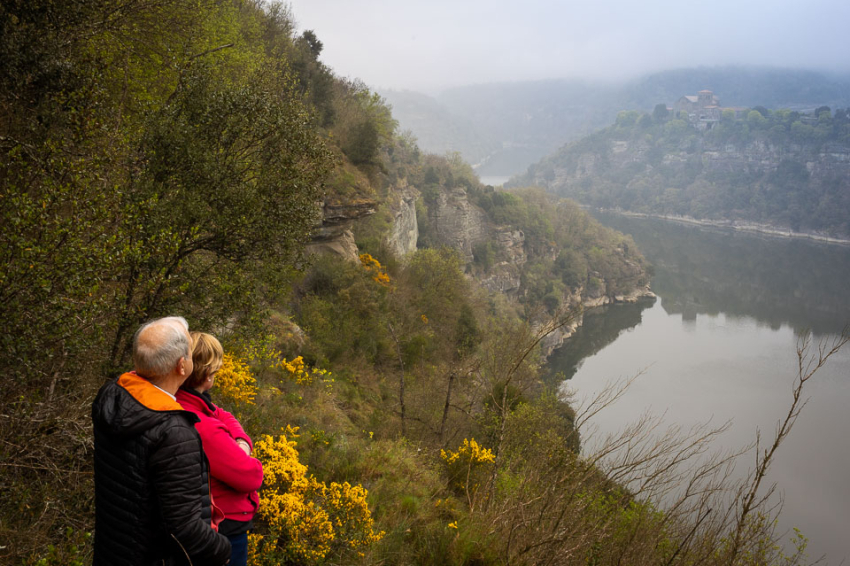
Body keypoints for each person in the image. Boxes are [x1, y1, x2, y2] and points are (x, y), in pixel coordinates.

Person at [92, 316, 231, 566]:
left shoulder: (113, 396)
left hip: (113, 551)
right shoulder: (173, 431)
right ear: (181, 366)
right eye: (190, 352)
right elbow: (184, 529)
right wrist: (223, 550)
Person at [176, 332, 263, 566]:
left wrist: (241, 441)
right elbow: (251, 476)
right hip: (223, 527)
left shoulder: (186, 403)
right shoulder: (203, 426)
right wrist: (243, 452)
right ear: (207, 375)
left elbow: (222, 413)